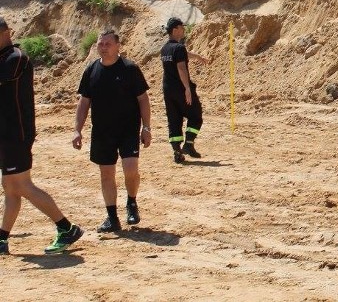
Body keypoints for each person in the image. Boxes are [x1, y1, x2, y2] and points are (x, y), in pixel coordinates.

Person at [0, 17, 83, 254]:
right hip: (7, 134)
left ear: (5, 32)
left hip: (16, 133)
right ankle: (2, 238)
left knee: (22, 185)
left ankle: (66, 228)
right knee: (11, 186)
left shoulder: (16, 58)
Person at [72, 29, 151, 233]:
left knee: (130, 169)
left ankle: (131, 203)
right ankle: (112, 217)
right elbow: (84, 101)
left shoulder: (130, 68)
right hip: (102, 132)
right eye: (100, 44)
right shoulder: (91, 71)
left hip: (128, 129)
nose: (103, 47)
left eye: (107, 44)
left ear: (118, 46)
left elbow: (143, 99)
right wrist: (77, 130)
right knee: (106, 174)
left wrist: (146, 127)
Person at [160, 18, 209, 163]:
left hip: (168, 90)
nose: (184, 30)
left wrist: (198, 57)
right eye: (181, 27)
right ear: (175, 30)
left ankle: (177, 152)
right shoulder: (179, 47)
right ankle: (188, 144)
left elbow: (183, 55)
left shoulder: (165, 49)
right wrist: (187, 88)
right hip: (181, 89)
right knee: (196, 115)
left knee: (174, 120)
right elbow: (181, 67)